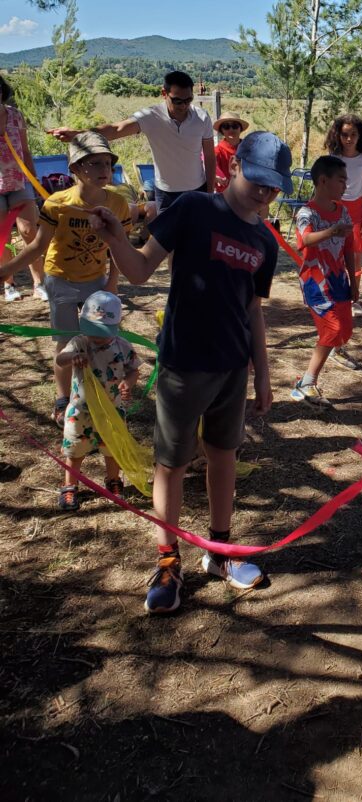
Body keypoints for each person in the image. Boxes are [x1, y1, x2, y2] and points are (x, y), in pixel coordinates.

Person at [88, 131, 291, 614]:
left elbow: (253, 310)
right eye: (257, 180)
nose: (263, 193)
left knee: (223, 456)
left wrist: (262, 374)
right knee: (172, 465)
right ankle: (167, 561)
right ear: (235, 164)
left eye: (273, 186)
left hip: (231, 368)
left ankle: (219, 553)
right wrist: (116, 238)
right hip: (183, 364)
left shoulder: (264, 239)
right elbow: (139, 270)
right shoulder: (194, 210)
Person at [0, 132, 131, 427]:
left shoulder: (119, 204)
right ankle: (63, 399)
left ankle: (103, 395)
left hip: (97, 282)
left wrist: (112, 282)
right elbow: (37, 246)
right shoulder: (58, 203)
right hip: (60, 281)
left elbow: (119, 249)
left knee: (102, 342)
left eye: (107, 163)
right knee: (65, 343)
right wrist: (5, 271)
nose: (103, 169)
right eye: (93, 163)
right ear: (74, 169)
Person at [48, 70, 216, 211]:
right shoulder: (151, 117)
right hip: (166, 194)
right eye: (177, 100)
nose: (183, 105)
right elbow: (116, 129)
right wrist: (79, 134)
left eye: (188, 100)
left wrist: (209, 193)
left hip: (198, 190)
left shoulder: (202, 117)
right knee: (166, 246)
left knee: (197, 242)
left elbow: (209, 157)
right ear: (164, 93)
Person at [56, 291, 140, 511]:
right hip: (80, 411)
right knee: (75, 450)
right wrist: (71, 358)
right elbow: (60, 359)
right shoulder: (79, 342)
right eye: (92, 331)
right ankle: (69, 486)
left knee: (112, 448)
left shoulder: (123, 346)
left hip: (111, 409)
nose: (97, 337)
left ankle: (113, 481)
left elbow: (133, 370)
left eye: (102, 332)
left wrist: (128, 384)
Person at [290, 155, 357, 405]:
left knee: (345, 331)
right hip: (315, 282)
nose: (345, 185)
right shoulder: (306, 213)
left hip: (338, 280)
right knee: (333, 329)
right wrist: (332, 231)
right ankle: (306, 383)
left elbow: (349, 248)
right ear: (323, 181)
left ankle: (332, 350)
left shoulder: (343, 212)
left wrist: (355, 282)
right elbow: (304, 240)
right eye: (341, 180)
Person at [325, 113, 362, 317]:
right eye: (345, 134)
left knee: (355, 255)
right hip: (334, 207)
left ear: (359, 135)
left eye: (353, 134)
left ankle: (354, 297)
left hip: (356, 209)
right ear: (338, 135)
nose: (348, 139)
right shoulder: (333, 156)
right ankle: (334, 294)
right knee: (333, 252)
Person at [0, 75, 47, 302]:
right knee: (3, 237)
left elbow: (26, 151)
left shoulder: (15, 116)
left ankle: (40, 283)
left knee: (30, 231)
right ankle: (9, 284)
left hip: (20, 182)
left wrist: (34, 182)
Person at [213, 112, 249, 193]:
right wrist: (215, 177)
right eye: (226, 127)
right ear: (222, 130)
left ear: (240, 129)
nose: (231, 129)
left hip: (246, 193)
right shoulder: (217, 151)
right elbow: (208, 172)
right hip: (225, 195)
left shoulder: (249, 149)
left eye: (235, 126)